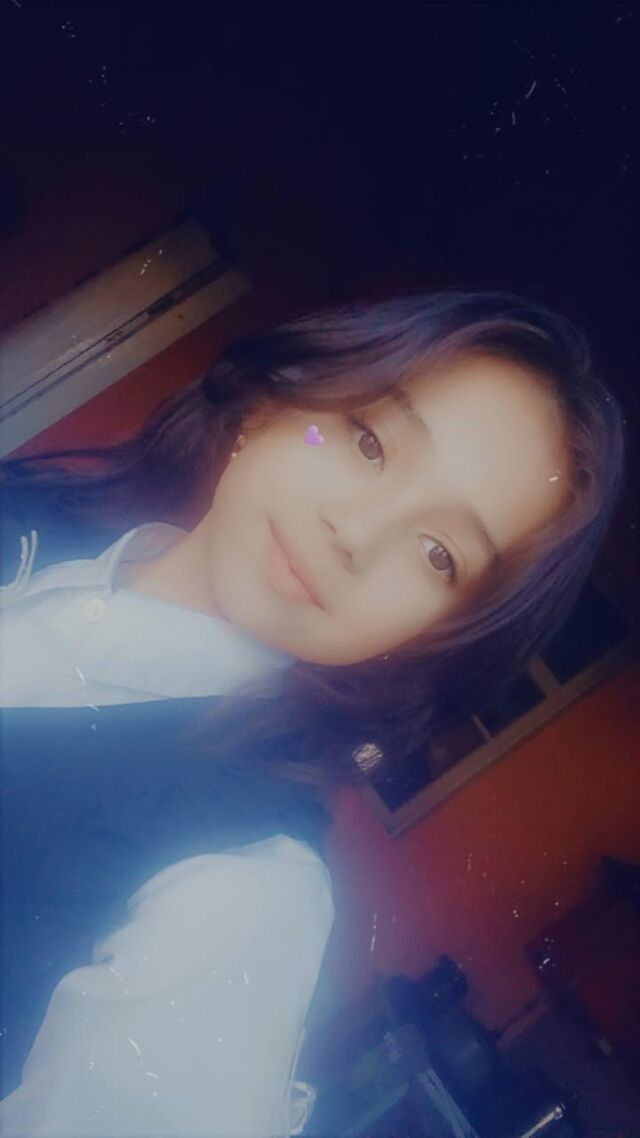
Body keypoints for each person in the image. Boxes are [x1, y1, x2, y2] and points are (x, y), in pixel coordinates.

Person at [0, 290, 625, 1135]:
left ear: (426, 639)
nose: (356, 533)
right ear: (272, 405)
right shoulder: (35, 514)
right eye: (369, 441)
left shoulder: (245, 892)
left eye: (438, 554)